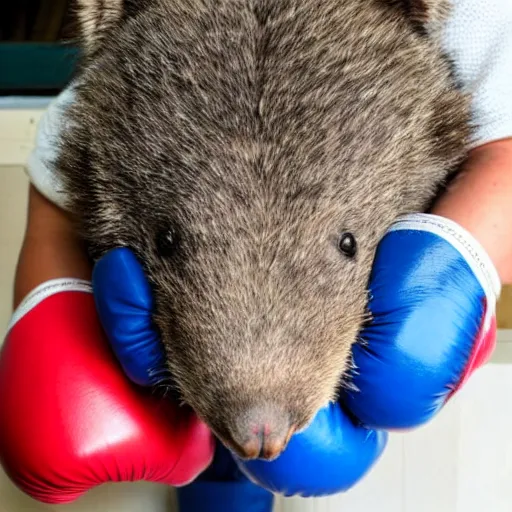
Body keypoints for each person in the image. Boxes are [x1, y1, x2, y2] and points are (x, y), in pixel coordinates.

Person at [8, 0, 512, 509]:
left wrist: (456, 263)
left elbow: (503, 147)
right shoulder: (122, 76)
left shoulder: (473, 18)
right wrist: (56, 316)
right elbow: (64, 181)